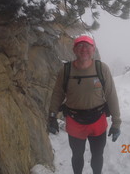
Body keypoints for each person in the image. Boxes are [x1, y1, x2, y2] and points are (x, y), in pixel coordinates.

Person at [48, 35, 121, 174]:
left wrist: (116, 122)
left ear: (93, 49)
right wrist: (52, 116)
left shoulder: (101, 68)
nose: (84, 49)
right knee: (77, 155)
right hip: (75, 121)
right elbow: (57, 94)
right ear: (74, 49)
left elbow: (111, 95)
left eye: (88, 46)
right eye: (80, 46)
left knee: (98, 155)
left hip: (98, 120)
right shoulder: (66, 70)